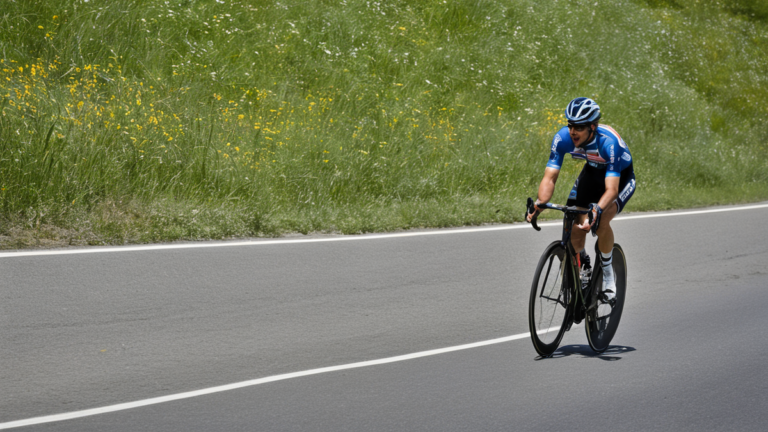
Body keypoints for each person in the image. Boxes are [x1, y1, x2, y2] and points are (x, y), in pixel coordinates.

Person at [526, 97, 636, 302]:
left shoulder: (608, 143)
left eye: (579, 127)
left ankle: (608, 275)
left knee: (600, 221)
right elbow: (550, 177)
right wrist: (540, 204)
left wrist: (597, 210)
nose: (572, 131)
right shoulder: (562, 138)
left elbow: (611, 190)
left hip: (620, 179)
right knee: (575, 223)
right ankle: (583, 264)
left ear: (592, 127)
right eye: (570, 125)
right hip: (592, 173)